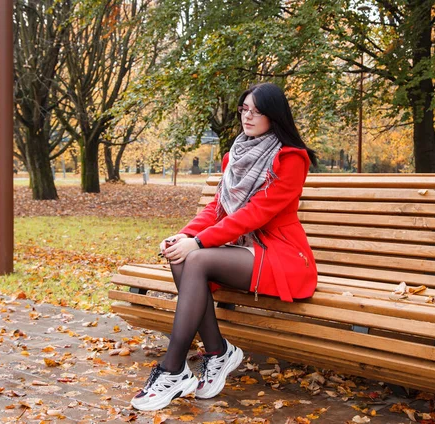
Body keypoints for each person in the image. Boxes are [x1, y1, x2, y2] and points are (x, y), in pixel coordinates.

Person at [130, 83, 319, 411]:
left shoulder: (291, 158)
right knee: (182, 258)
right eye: (244, 109)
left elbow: (254, 213)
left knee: (197, 259)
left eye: (257, 111)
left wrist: (199, 242)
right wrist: (184, 235)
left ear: (274, 116)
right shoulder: (236, 154)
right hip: (244, 250)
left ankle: (172, 369)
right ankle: (218, 352)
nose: (248, 116)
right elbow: (217, 207)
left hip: (283, 256)